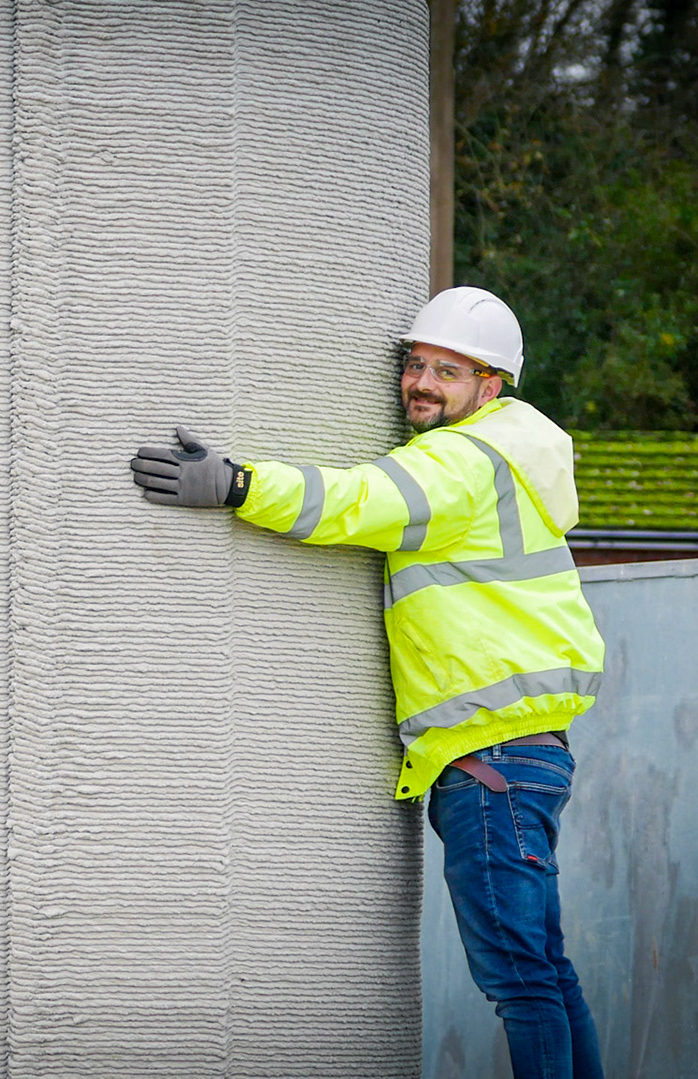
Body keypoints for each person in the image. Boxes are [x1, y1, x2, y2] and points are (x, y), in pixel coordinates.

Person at [129, 287, 606, 1079]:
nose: (420, 381)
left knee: (523, 981)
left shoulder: (459, 460)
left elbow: (358, 501)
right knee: (546, 971)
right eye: (415, 364)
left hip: (489, 763)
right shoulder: (514, 456)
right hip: (523, 756)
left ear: (490, 387)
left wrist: (239, 485)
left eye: (446, 371)